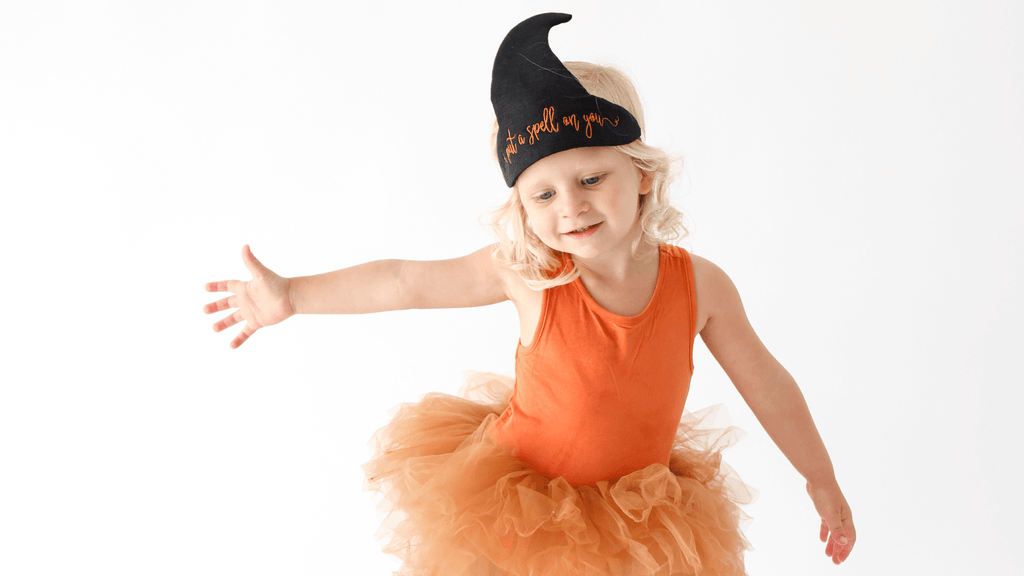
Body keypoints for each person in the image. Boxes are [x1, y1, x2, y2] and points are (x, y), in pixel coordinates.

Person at [203, 12, 855, 576]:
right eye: (544, 193)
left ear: (644, 177)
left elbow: (765, 379)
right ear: (522, 204)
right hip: (522, 513)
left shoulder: (701, 285)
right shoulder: (531, 275)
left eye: (591, 177)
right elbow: (406, 280)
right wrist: (291, 294)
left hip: (642, 520)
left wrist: (819, 475)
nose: (571, 206)